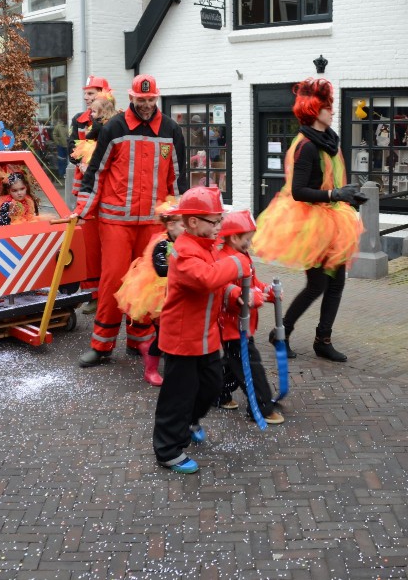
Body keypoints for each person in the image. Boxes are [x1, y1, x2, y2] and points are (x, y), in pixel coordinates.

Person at [73, 74, 188, 368]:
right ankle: (101, 345)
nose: (147, 105)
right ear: (131, 98)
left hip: (152, 224)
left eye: (151, 100)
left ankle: (140, 341)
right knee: (113, 282)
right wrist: (83, 206)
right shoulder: (115, 126)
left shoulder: (172, 130)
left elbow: (177, 180)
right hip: (116, 222)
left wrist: (180, 218)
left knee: (148, 283)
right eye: (141, 100)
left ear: (156, 99)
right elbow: (96, 172)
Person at [252, 78, 366, 362]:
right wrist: (334, 193)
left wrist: (347, 196)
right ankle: (281, 332)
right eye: (327, 107)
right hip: (310, 224)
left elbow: (333, 182)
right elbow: (299, 191)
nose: (332, 112)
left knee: (337, 282)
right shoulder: (306, 146)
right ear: (314, 111)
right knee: (317, 285)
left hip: (333, 219)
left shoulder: (330, 142)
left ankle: (322, 340)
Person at [152, 187, 250, 474]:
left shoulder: (207, 247)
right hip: (182, 339)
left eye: (220, 220)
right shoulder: (183, 252)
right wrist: (238, 261)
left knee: (211, 386)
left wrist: (232, 295)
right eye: (214, 221)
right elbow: (207, 279)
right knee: (177, 396)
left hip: (205, 336)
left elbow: (217, 283)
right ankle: (168, 450)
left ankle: (190, 421)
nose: (219, 226)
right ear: (193, 222)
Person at [216, 210, 285, 425]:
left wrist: (268, 291)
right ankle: (262, 407)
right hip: (232, 326)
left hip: (243, 323)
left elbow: (252, 284)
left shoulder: (241, 255)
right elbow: (225, 289)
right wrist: (246, 297)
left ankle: (217, 392)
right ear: (234, 237)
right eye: (247, 239)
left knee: (233, 363)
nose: (250, 244)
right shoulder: (224, 259)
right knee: (251, 366)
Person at [115, 202, 185, 387]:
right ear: (170, 225)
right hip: (159, 298)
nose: (187, 229)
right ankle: (151, 369)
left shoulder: (184, 242)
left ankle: (160, 355)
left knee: (177, 334)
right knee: (165, 336)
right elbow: (161, 269)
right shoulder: (162, 244)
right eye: (183, 225)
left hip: (178, 294)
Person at [73, 89, 117, 313]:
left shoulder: (112, 128)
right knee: (89, 247)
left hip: (106, 196)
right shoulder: (82, 123)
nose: (86, 98)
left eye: (91, 94)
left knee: (108, 249)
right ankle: (92, 293)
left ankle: (104, 295)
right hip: (88, 194)